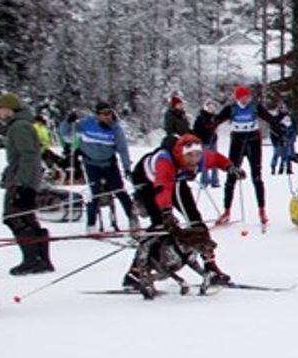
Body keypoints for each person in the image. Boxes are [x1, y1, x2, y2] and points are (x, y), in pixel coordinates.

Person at [125, 134, 237, 293]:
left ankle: (211, 267)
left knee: (196, 221)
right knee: (159, 225)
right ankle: (135, 273)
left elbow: (216, 159)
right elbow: (163, 188)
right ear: (180, 154)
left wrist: (230, 167)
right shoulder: (166, 162)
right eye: (189, 157)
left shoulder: (198, 157)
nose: (194, 161)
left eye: (197, 156)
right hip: (149, 183)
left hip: (176, 180)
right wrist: (166, 212)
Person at [0, 93, 54, 275]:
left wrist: (21, 184)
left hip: (23, 181)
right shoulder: (21, 125)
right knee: (27, 218)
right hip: (24, 179)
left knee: (14, 217)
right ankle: (41, 259)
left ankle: (32, 260)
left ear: (8, 109)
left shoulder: (19, 127)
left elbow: (28, 156)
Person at [214, 85, 275, 227]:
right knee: (231, 175)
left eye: (247, 96)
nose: (246, 99)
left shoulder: (255, 107)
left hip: (253, 141)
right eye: (243, 97)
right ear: (237, 97)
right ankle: (227, 210)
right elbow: (216, 120)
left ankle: (262, 210)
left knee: (257, 177)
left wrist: (279, 130)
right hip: (237, 141)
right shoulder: (231, 108)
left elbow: (269, 118)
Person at [77, 101, 141, 232]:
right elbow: (66, 132)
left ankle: (133, 220)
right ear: (97, 115)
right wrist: (68, 122)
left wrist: (127, 167)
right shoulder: (86, 124)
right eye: (104, 114)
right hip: (91, 164)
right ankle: (91, 224)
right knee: (95, 193)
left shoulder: (115, 129)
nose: (108, 117)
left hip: (109, 163)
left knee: (119, 191)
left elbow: (122, 149)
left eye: (109, 113)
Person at [191, 100, 221, 188]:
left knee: (214, 160)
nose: (211, 109)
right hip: (204, 141)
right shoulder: (201, 117)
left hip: (212, 141)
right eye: (209, 107)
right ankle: (204, 180)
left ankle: (215, 180)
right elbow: (196, 129)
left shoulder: (214, 117)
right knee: (204, 161)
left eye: (212, 107)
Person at [57, 111, 85, 184]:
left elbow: (77, 137)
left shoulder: (76, 125)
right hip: (69, 146)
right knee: (67, 161)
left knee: (74, 161)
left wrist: (74, 147)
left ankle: (78, 177)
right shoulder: (64, 125)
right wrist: (65, 147)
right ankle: (70, 177)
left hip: (75, 146)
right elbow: (61, 136)